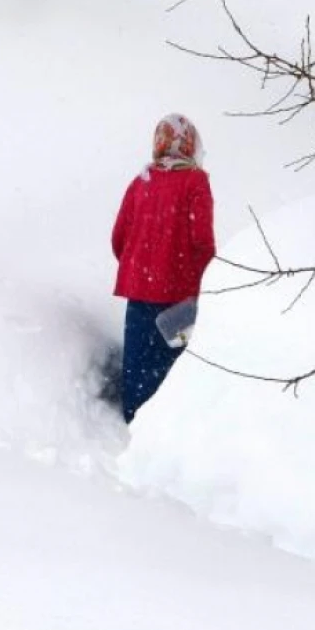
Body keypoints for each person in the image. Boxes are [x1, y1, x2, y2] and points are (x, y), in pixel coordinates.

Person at [110, 113, 216, 423]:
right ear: (190, 144)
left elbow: (119, 237)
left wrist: (140, 268)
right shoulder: (195, 181)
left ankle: (132, 419)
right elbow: (203, 241)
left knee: (137, 363)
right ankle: (161, 432)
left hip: (139, 292)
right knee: (171, 366)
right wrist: (207, 281)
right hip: (180, 296)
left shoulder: (140, 182)